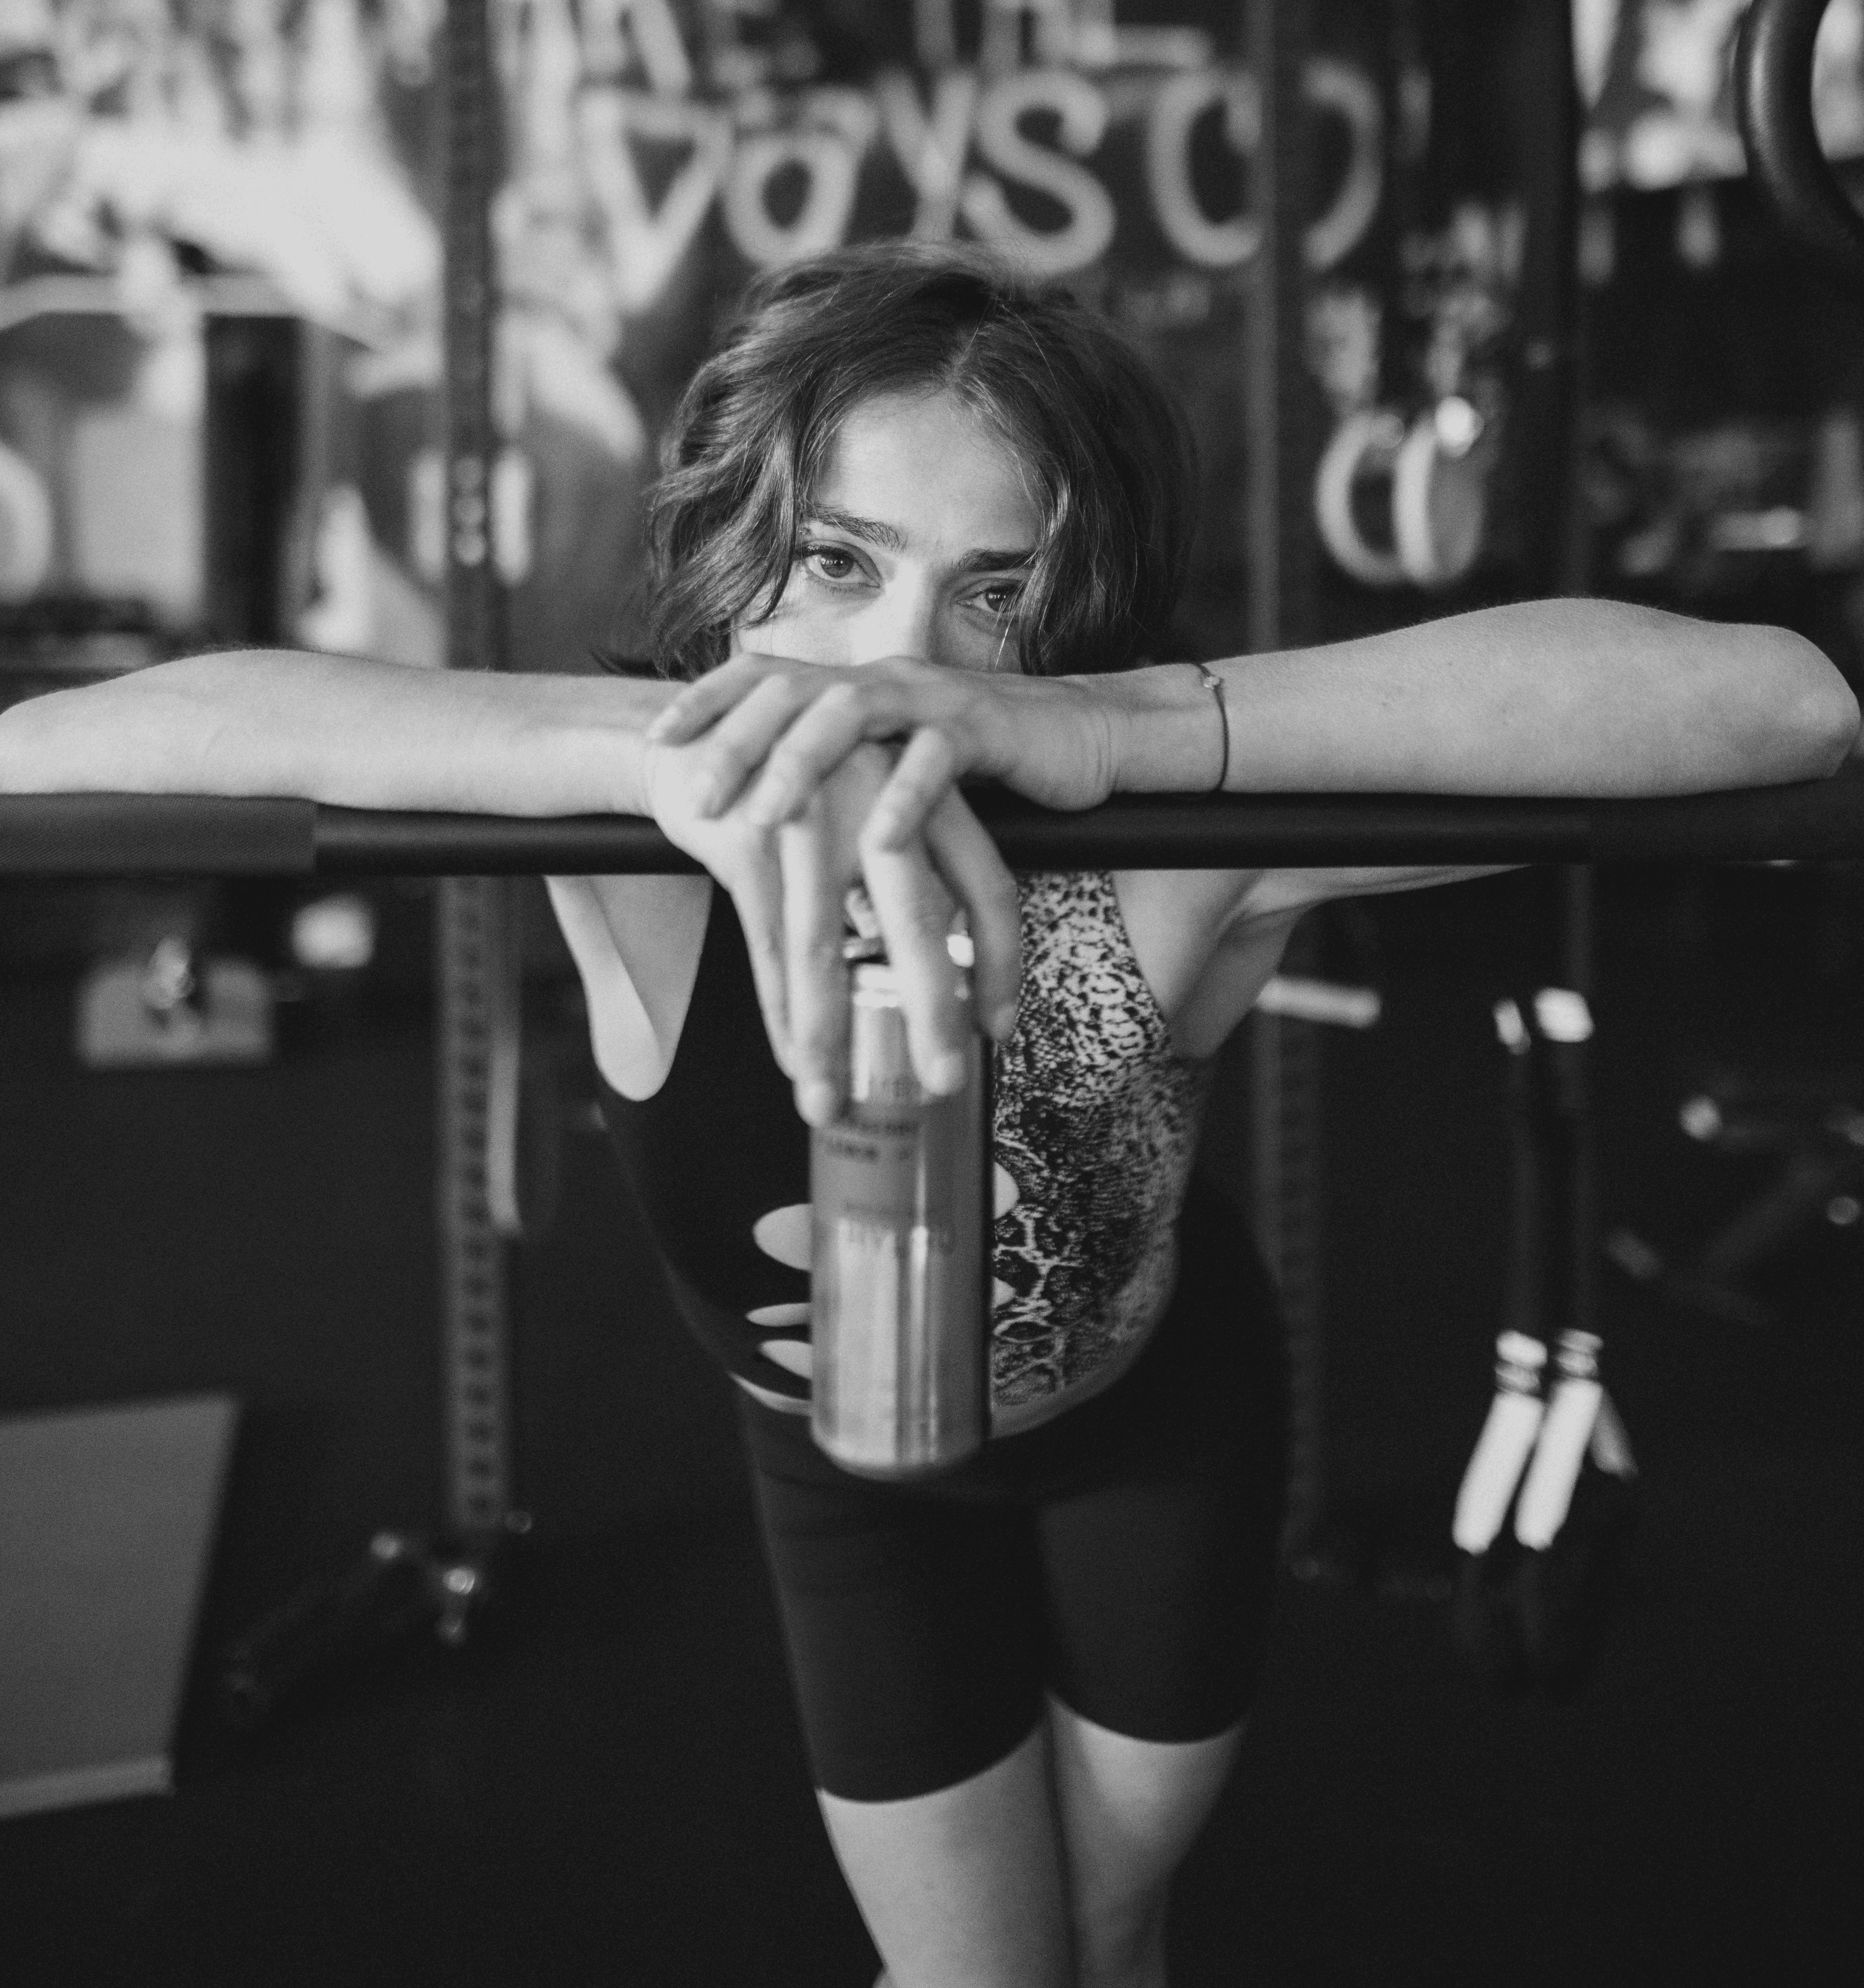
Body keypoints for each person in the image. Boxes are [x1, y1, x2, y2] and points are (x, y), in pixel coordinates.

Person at [1, 243, 1856, 1988]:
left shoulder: (1169, 859)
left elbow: (1776, 704)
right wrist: (643, 753)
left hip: (1159, 1436)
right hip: (846, 1482)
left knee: (1114, 1942)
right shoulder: (633, 843)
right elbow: (93, 749)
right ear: (731, 564)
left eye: (996, 585)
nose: (910, 658)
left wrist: (1136, 731)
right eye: (833, 562)